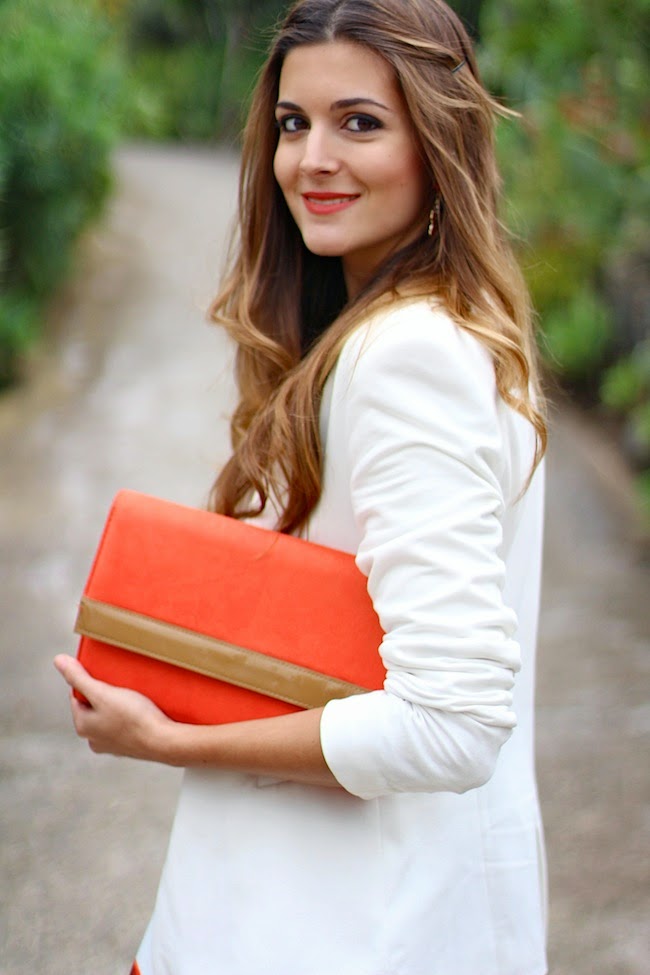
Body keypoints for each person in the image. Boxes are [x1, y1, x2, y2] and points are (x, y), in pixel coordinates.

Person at [54, 0, 549, 972]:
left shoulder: (409, 356)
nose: (312, 159)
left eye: (358, 122)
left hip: (342, 925)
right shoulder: (434, 329)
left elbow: (450, 724)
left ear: (437, 139)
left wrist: (174, 740)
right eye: (293, 123)